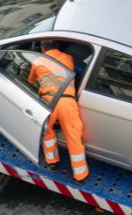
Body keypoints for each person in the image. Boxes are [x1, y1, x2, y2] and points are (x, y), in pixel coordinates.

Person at [28, 40, 89, 183]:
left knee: (48, 133)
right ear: (58, 46)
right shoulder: (68, 58)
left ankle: (52, 163)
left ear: (42, 48)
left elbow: (31, 80)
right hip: (67, 101)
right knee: (74, 137)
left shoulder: (37, 61)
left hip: (48, 102)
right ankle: (80, 175)